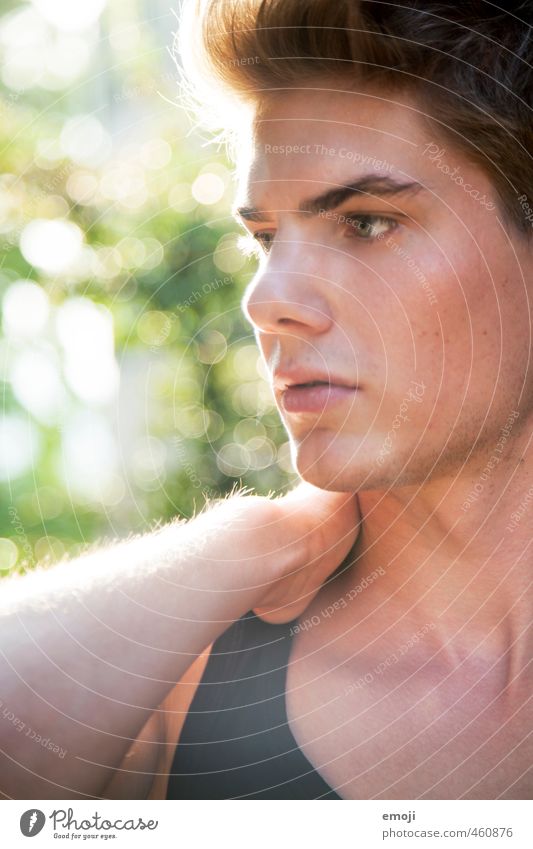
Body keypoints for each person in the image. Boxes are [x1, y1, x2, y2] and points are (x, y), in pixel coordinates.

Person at [2, 0, 533, 800]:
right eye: (265, 236)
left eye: (365, 222)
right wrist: (252, 539)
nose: (267, 298)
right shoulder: (170, 689)